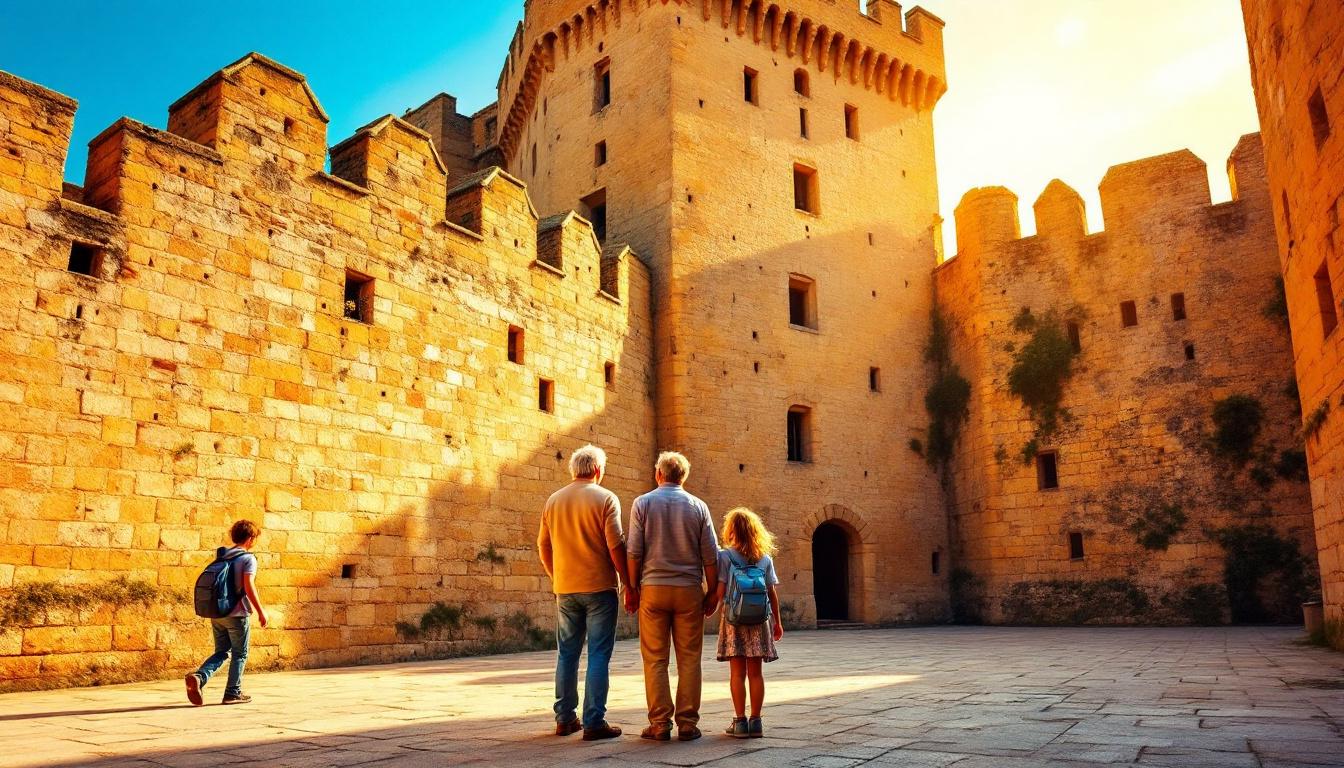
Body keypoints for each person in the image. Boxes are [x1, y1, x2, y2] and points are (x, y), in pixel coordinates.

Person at [537, 444, 632, 741]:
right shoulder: (605, 498)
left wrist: (556, 576)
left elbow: (543, 545)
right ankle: (593, 721)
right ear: (598, 470)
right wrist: (627, 581)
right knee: (599, 654)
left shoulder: (554, 500)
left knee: (567, 654)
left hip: (565, 589)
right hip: (599, 587)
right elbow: (616, 544)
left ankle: (564, 719)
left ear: (573, 470)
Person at [627, 451, 719, 742]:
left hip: (653, 588)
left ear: (658, 474)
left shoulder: (642, 503)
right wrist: (713, 591)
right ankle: (688, 723)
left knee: (655, 659)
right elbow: (710, 556)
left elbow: (633, 551)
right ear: (684, 477)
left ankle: (660, 724)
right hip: (689, 589)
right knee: (690, 658)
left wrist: (631, 587)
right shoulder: (698, 506)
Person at [714, 507, 783, 739]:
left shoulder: (725, 556)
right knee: (756, 673)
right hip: (760, 620)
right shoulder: (765, 558)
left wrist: (709, 607)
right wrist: (777, 622)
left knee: (737, 673)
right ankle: (756, 721)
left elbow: (721, 589)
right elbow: (772, 592)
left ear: (731, 530)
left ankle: (740, 722)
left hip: (734, 620)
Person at [185, 520, 267, 706]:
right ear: (250, 538)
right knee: (240, 653)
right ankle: (232, 693)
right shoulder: (247, 558)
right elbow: (248, 586)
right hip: (237, 614)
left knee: (222, 651)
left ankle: (199, 677)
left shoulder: (222, 557)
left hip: (218, 613)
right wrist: (260, 611)